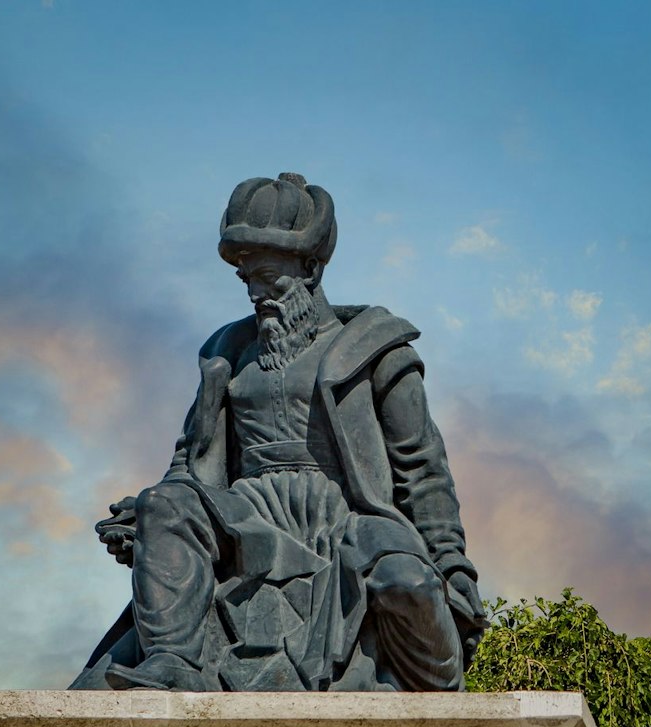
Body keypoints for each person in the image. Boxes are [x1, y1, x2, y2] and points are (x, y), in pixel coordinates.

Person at [72, 173, 483, 692]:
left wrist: (452, 565)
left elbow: (423, 470)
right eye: (246, 278)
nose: (255, 293)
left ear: (310, 268)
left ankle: (437, 691)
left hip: (348, 517)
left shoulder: (379, 350)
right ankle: (173, 663)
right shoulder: (226, 351)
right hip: (247, 514)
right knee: (162, 503)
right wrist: (148, 518)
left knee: (407, 583)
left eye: (268, 277)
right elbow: (190, 458)